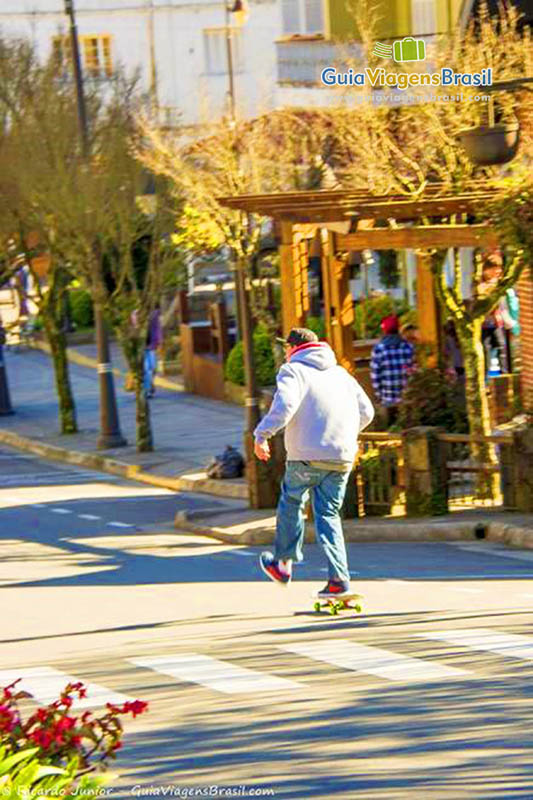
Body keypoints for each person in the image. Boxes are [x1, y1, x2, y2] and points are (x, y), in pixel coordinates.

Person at [254, 327, 374, 600]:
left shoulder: (293, 371)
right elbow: (367, 411)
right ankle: (339, 581)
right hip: (341, 456)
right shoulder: (341, 374)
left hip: (306, 456)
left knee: (292, 501)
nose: (285, 353)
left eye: (286, 348)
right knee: (329, 516)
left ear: (294, 349)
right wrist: (342, 435)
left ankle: (283, 563)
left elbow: (284, 406)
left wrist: (262, 434)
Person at [370, 314, 414, 427]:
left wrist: (379, 395)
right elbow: (413, 370)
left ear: (384, 330)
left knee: (389, 427)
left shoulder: (379, 349)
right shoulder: (408, 347)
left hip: (388, 397)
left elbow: (375, 376)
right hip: (407, 395)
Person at [144, 304, 162, 398]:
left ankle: (150, 384)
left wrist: (159, 342)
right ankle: (147, 390)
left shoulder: (154, 315)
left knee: (153, 368)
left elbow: (157, 329)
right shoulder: (135, 314)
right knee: (147, 369)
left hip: (152, 346)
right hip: (141, 347)